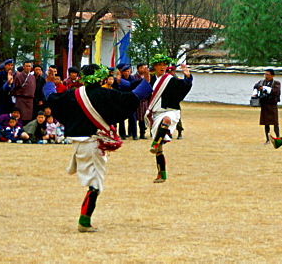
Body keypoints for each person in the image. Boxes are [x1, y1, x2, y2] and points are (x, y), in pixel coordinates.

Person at [47, 63, 150, 232]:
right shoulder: (106, 94)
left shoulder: (72, 95)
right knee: (96, 184)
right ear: (101, 77)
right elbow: (131, 98)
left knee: (95, 183)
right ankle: (84, 221)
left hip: (78, 143)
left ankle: (85, 219)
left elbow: (52, 98)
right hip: (93, 143)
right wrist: (146, 81)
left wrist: (49, 82)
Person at [145, 54, 193, 183]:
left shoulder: (170, 79)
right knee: (159, 151)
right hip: (155, 114)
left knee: (166, 119)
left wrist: (187, 76)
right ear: (154, 67)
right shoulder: (151, 80)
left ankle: (155, 143)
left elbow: (183, 86)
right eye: (159, 65)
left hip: (171, 111)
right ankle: (162, 174)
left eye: (164, 65)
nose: (162, 67)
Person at [253, 69, 281, 143]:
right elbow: (256, 86)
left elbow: (275, 91)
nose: (266, 76)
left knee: (275, 123)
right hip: (264, 104)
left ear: (272, 75)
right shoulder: (261, 82)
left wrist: (264, 88)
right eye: (265, 74)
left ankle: (278, 138)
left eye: (267, 74)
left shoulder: (276, 83)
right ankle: (267, 139)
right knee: (266, 123)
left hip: (272, 104)